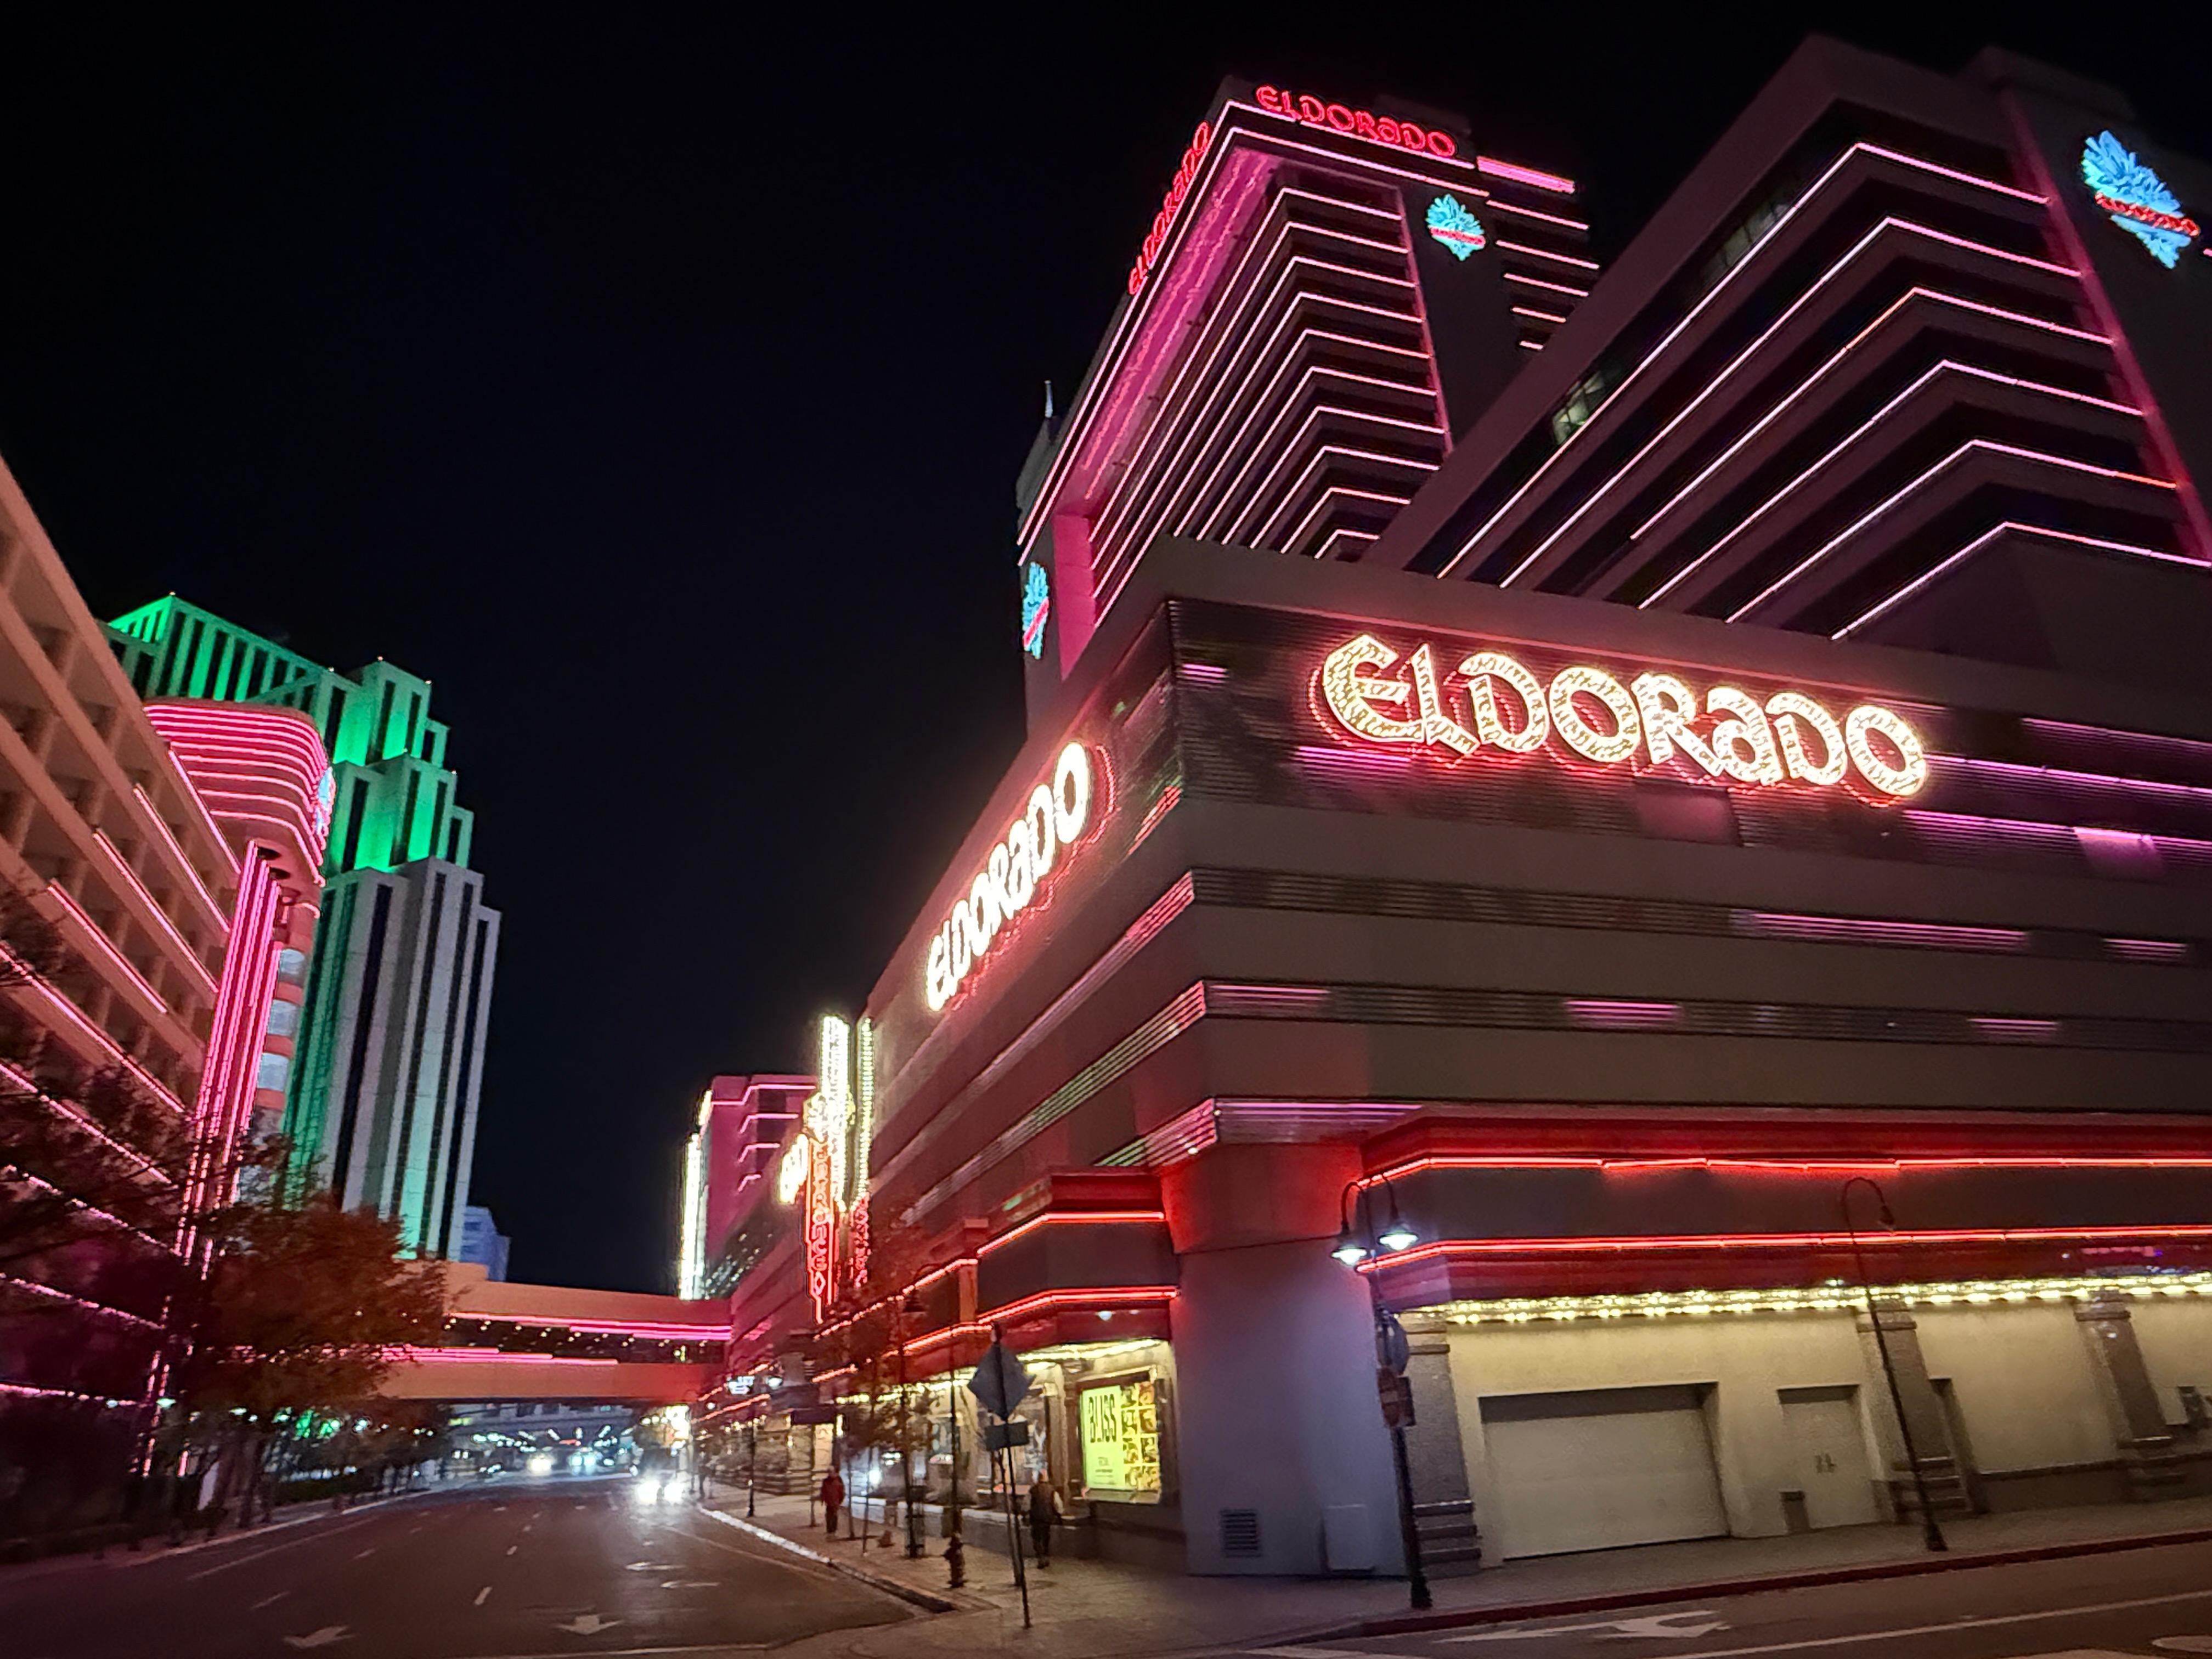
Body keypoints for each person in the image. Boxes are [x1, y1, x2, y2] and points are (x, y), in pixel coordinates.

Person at [1026, 1477, 1061, 1566]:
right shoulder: (1052, 1490)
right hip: (1047, 1517)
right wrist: (1059, 1514)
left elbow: (1027, 1504)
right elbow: (1057, 1504)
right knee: (1046, 1537)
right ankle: (1046, 1556)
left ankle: (1040, 1557)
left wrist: (1025, 1514)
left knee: (1037, 1538)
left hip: (1036, 1517)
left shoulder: (1033, 1490)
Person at [820, 1469, 845, 1537]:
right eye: (829, 1473)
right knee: (829, 1515)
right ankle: (829, 1529)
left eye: (832, 1472)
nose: (830, 1474)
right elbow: (823, 1491)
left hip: (835, 1501)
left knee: (834, 1515)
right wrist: (823, 1499)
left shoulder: (838, 1480)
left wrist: (840, 1501)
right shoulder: (826, 1481)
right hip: (829, 1501)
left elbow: (841, 1491)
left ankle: (833, 1529)